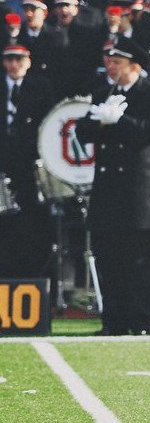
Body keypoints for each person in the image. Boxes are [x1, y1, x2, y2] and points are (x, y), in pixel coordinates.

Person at [75, 38, 150, 335]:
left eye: (117, 62)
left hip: (136, 189)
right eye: (109, 61)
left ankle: (142, 320)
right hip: (108, 188)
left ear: (134, 66)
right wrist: (102, 122)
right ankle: (113, 321)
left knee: (137, 261)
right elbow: (82, 131)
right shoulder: (104, 92)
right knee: (109, 257)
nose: (111, 67)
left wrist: (121, 120)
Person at [0, 45, 58, 278]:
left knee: (33, 220)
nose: (14, 64)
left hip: (31, 165)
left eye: (19, 59)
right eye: (10, 59)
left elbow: (50, 123)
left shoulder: (41, 87)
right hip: (3, 163)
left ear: (28, 62)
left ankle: (34, 272)